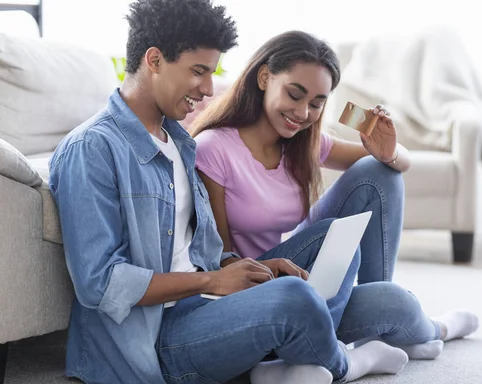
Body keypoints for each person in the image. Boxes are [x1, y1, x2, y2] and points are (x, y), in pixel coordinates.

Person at [49, 1, 412, 383]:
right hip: (157, 338)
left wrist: (237, 267)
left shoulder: (177, 142)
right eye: (198, 71)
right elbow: (99, 283)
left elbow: (197, 251)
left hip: (206, 305)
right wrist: (209, 281)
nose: (207, 89)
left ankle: (285, 364)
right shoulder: (92, 149)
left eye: (211, 73)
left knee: (347, 256)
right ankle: (347, 363)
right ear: (154, 60)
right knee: (296, 298)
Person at [189, 30, 480, 370]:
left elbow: (391, 167)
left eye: (316, 103)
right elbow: (220, 260)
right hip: (252, 286)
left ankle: (436, 329)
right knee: (335, 237)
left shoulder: (302, 143)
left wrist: (389, 150)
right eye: (295, 94)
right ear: (265, 77)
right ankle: (312, 353)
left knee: (392, 299)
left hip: (297, 278)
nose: (302, 112)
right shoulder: (213, 149)